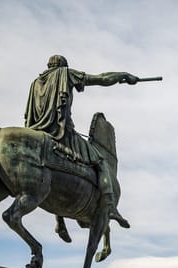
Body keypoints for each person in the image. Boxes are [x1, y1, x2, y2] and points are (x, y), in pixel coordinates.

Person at [25, 55, 136, 242]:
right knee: (100, 161)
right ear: (63, 65)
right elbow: (101, 79)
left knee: (54, 172)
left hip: (37, 132)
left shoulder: (36, 82)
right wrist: (123, 75)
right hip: (61, 133)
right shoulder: (65, 74)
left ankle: (59, 221)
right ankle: (111, 206)